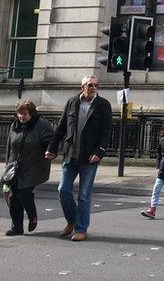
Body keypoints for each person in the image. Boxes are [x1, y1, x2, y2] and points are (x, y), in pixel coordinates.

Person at [45, 74, 113, 242]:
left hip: (90, 157)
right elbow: (61, 127)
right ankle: (72, 220)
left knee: (84, 194)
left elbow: (106, 132)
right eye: (90, 85)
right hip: (71, 154)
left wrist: (100, 152)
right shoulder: (72, 102)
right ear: (82, 86)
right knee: (63, 190)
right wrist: (51, 148)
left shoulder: (103, 105)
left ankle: (81, 229)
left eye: (96, 85)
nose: (93, 88)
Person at [3, 99, 54, 236]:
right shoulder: (15, 125)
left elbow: (52, 142)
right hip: (15, 167)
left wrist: (49, 151)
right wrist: (7, 167)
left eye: (24, 114)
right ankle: (16, 227)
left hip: (33, 166)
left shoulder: (42, 125)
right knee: (14, 198)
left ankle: (32, 216)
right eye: (19, 114)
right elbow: (10, 147)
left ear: (31, 113)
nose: (21, 117)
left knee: (25, 194)